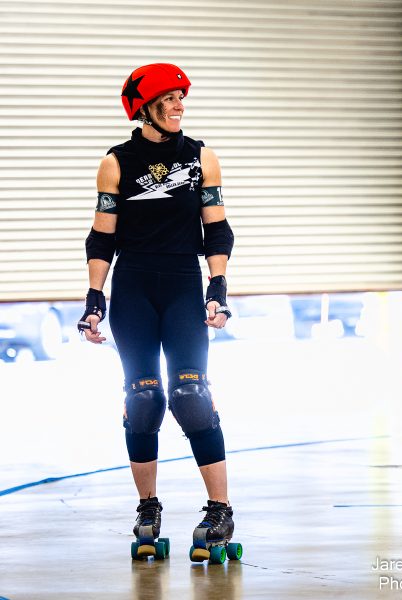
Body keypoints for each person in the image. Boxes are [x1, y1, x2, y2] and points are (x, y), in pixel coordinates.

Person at [77, 63, 237, 562]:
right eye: (167, 99)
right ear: (144, 108)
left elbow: (217, 229)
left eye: (180, 97)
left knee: (191, 394)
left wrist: (217, 286)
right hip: (133, 290)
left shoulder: (201, 158)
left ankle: (220, 510)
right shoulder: (116, 163)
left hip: (183, 286)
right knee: (143, 398)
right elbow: (102, 236)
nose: (178, 106)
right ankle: (148, 507)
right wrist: (94, 299)